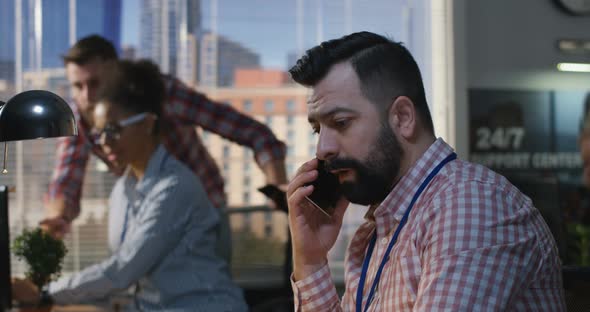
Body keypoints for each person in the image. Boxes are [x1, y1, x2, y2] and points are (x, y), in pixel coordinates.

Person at [286, 31, 566, 311]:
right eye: (317, 130)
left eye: (341, 122)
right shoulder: (379, 230)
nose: (323, 149)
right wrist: (310, 261)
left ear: (403, 117)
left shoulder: (469, 206)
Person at [13, 60, 248, 311]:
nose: (104, 142)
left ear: (147, 123)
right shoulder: (121, 191)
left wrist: (45, 294)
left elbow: (122, 271)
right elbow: (129, 278)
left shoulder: (175, 187)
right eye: (99, 133)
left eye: (113, 130)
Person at [41, 35, 288, 255]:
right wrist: (57, 218)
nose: (87, 97)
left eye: (94, 83)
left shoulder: (159, 91)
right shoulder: (80, 117)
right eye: (77, 86)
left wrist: (277, 186)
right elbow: (66, 176)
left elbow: (253, 132)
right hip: (149, 216)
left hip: (202, 212)